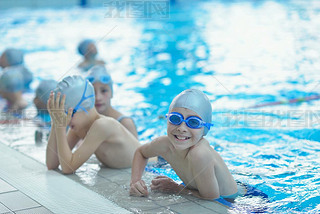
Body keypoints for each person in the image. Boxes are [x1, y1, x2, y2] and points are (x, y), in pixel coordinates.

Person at [130, 89, 239, 200]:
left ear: (205, 128)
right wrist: (135, 182)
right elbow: (140, 152)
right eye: (175, 119)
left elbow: (211, 198)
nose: (181, 128)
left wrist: (176, 188)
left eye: (193, 122)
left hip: (231, 200)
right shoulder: (164, 144)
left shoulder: (199, 153)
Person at [46, 75, 140, 174]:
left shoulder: (102, 125)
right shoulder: (79, 127)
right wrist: (55, 123)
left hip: (149, 165)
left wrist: (60, 127)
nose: (66, 120)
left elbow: (68, 167)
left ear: (85, 106)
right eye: (61, 115)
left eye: (67, 114)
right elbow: (52, 164)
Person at [87, 65, 138, 139]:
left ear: (112, 93)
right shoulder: (85, 122)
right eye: (92, 92)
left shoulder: (125, 123)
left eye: (104, 91)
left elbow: (139, 150)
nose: (98, 98)